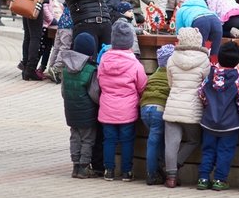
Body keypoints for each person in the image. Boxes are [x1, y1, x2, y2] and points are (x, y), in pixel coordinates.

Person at [195, 41, 239, 191]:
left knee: (207, 150)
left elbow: (201, 93)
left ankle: (203, 178)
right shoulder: (238, 79)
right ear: (237, 60)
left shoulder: (210, 76)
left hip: (209, 122)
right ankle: (219, 179)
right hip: (230, 124)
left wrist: (208, 105)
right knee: (225, 152)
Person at [98, 23, 147, 181]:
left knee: (109, 140)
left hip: (107, 108)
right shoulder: (135, 64)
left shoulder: (104, 60)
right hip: (128, 110)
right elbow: (142, 85)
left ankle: (109, 170)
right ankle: (126, 172)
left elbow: (100, 81)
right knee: (127, 141)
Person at [163, 28, 209, 189]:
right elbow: (205, 85)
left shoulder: (172, 58)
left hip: (173, 105)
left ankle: (170, 177)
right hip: (192, 108)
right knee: (194, 140)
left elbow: (170, 83)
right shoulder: (204, 60)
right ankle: (176, 164)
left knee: (171, 143)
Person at [60, 32, 100, 179]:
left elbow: (63, 91)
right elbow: (94, 93)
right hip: (87, 111)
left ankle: (75, 166)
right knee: (87, 139)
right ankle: (84, 167)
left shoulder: (66, 68)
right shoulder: (90, 70)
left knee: (75, 136)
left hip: (70, 110)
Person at [140, 44, 175, 185]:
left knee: (156, 140)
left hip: (145, 109)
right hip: (159, 109)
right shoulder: (171, 76)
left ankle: (159, 170)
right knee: (154, 142)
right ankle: (152, 174)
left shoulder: (153, 75)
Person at [174, 0, 224, 64]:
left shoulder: (182, 9)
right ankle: (214, 66)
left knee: (200, 51)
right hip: (216, 21)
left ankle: (201, 67)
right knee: (215, 51)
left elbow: (180, 30)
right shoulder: (205, 8)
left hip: (199, 21)